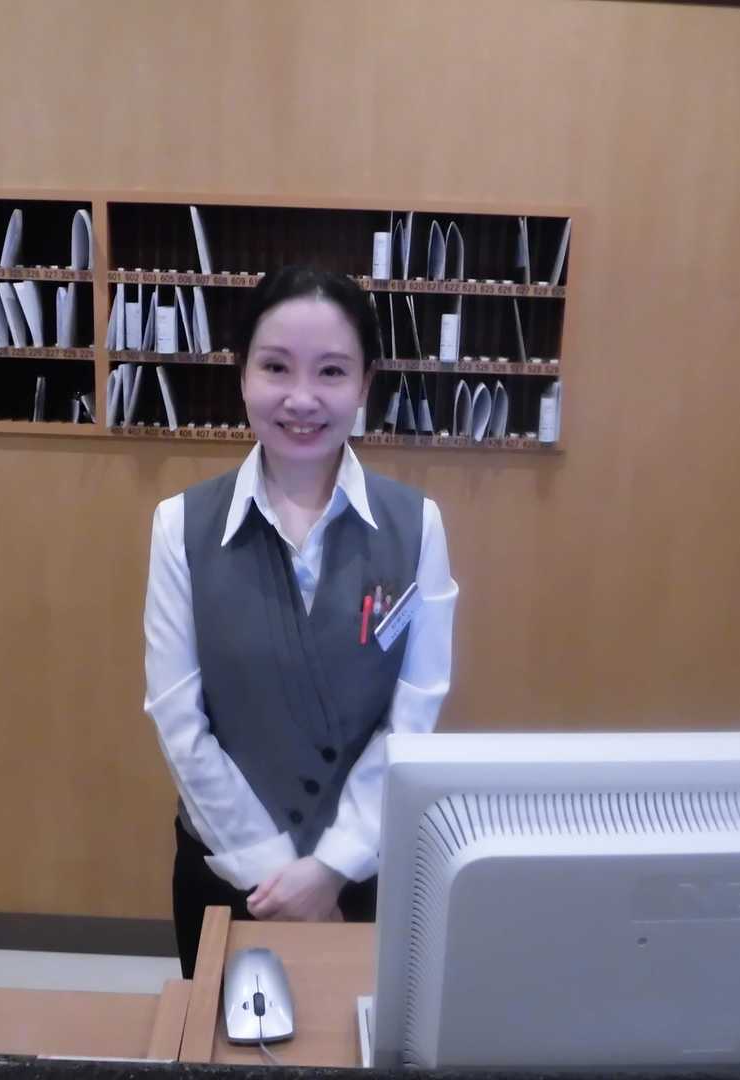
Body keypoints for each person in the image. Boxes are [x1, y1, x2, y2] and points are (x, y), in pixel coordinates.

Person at [143, 266, 458, 976]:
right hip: (228, 871)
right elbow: (178, 720)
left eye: (332, 371)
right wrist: (277, 875)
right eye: (276, 367)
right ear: (242, 374)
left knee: (360, 1030)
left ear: (366, 383)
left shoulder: (419, 526)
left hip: (365, 872)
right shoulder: (179, 527)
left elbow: (414, 714)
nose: (303, 398)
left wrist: (332, 867)